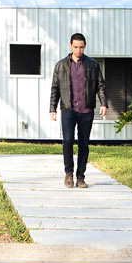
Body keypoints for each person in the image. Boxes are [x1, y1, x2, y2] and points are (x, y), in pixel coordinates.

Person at [49, 32, 107, 188]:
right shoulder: (61, 65)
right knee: (67, 141)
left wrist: (104, 104)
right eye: (76, 47)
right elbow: (55, 88)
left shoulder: (93, 65)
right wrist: (52, 108)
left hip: (86, 109)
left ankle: (80, 176)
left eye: (81, 47)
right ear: (70, 45)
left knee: (84, 144)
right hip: (68, 109)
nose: (79, 50)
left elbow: (101, 85)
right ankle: (68, 174)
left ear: (85, 46)